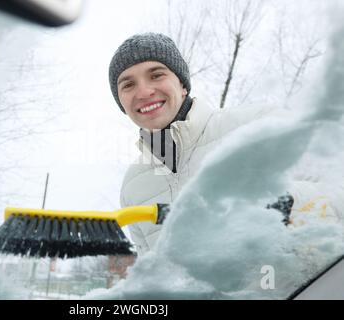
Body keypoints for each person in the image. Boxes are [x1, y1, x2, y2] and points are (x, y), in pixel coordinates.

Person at [108, 32, 344, 256]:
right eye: (128, 84)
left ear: (182, 85)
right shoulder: (133, 185)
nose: (144, 91)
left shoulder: (259, 126)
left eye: (156, 75)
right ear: (121, 102)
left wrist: (284, 204)